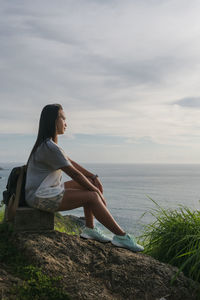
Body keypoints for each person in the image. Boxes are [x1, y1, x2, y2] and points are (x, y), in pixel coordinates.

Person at [25, 104, 144, 252]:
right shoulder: (49, 147)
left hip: (46, 191)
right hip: (40, 197)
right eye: (63, 118)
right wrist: (97, 192)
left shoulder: (49, 145)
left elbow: (71, 163)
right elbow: (74, 174)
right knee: (92, 196)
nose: (66, 123)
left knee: (90, 185)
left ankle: (90, 229)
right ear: (54, 120)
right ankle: (121, 237)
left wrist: (93, 177)